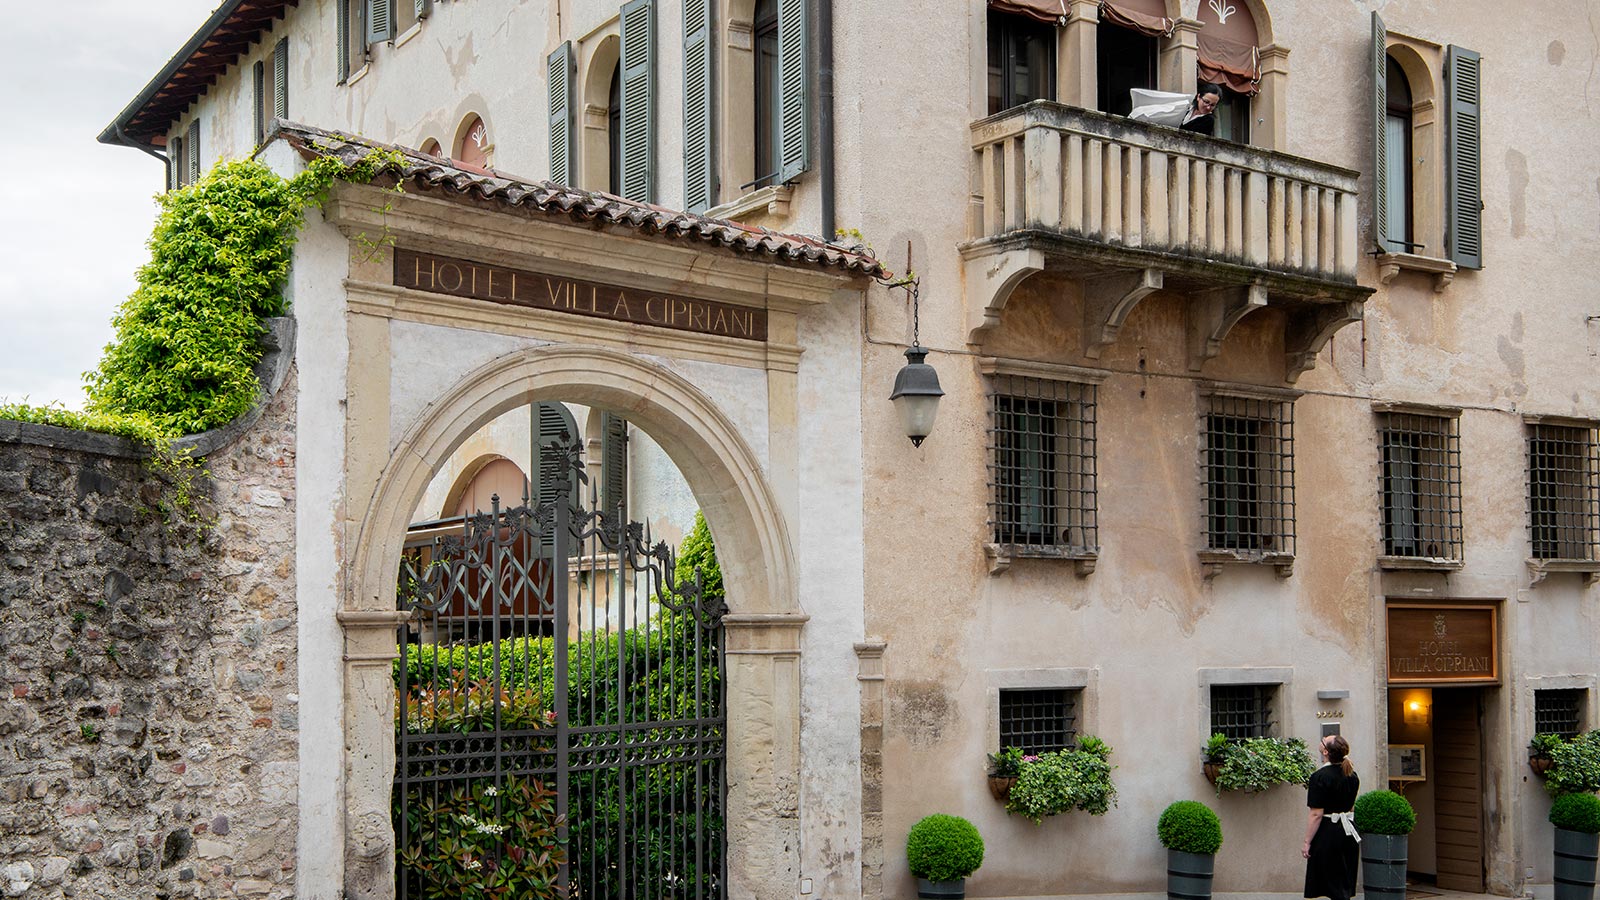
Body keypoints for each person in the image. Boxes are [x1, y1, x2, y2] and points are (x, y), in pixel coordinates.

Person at [1303, 734, 1361, 900]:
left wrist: (1307, 842)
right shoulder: (1352, 775)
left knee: (1331, 881)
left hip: (1329, 832)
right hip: (1348, 830)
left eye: (1325, 740)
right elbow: (1350, 806)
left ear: (1326, 752)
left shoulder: (1319, 777)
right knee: (1343, 881)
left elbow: (1316, 814)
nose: (1322, 739)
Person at [1127, 83, 1223, 136]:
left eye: (1213, 105)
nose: (1208, 107)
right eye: (1206, 102)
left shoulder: (1208, 120)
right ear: (1198, 97)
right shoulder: (1185, 108)